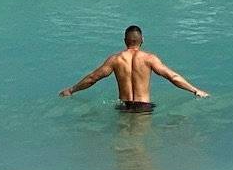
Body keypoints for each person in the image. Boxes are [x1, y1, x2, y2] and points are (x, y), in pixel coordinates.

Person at [59, 25, 208, 111]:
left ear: (125, 41)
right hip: (144, 107)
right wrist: (195, 90)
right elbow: (172, 77)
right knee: (140, 144)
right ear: (142, 39)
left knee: (124, 142)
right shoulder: (149, 59)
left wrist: (71, 90)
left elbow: (93, 78)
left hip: (124, 107)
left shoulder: (115, 59)